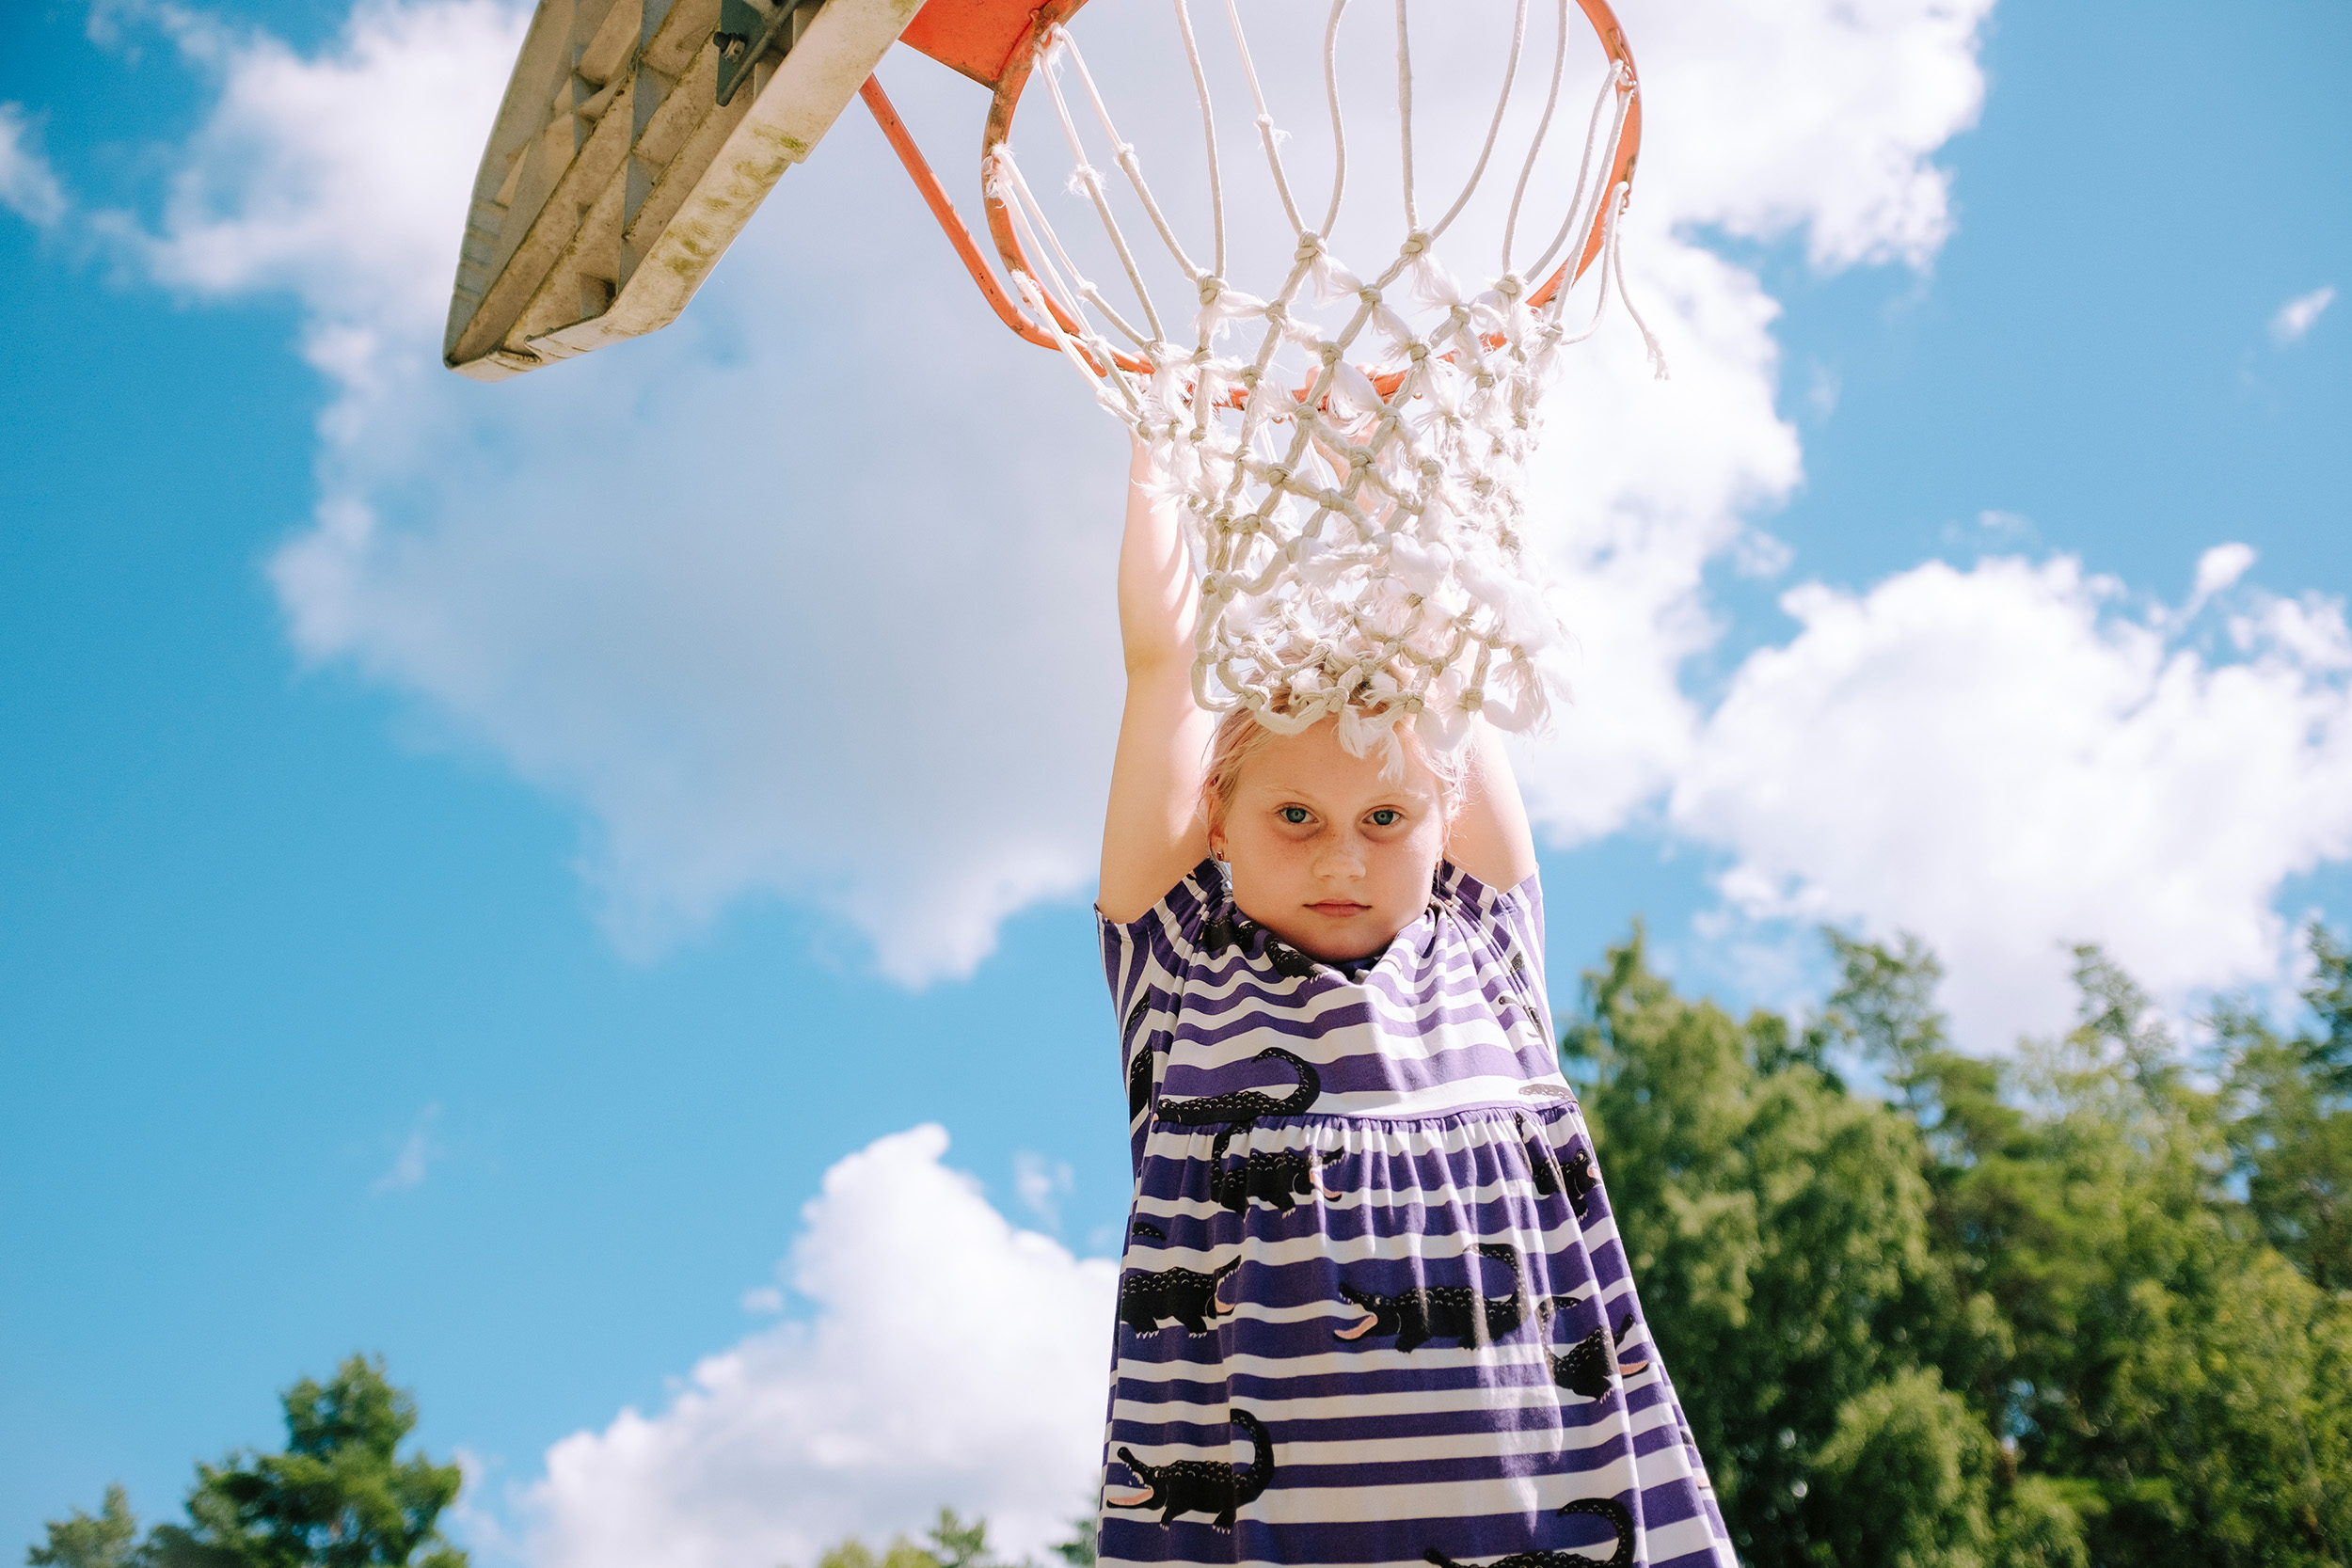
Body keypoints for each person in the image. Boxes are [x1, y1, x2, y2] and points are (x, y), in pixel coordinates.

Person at [1093, 442, 1739, 1568]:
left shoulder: (1484, 955)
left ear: (1440, 828)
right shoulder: (1185, 972)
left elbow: (1449, 660)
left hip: (1561, 1516)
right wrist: (1161, 450)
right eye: (1295, 815)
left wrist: (1397, 469)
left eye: (1386, 818)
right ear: (1217, 824)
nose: (1342, 853)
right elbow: (1163, 661)